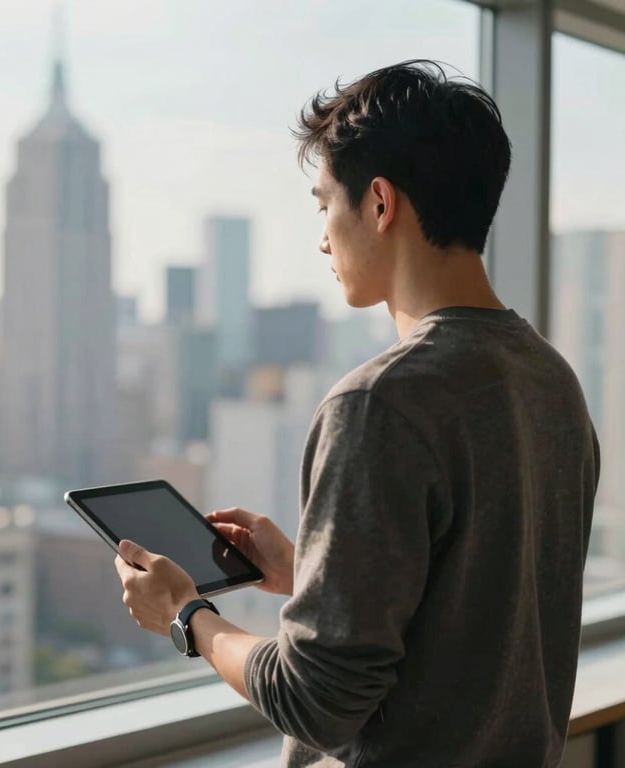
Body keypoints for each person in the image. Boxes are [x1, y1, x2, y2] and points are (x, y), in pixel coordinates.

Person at [114, 60, 599, 767]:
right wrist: (312, 572)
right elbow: (481, 609)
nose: (321, 238)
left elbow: (315, 699)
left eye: (323, 206)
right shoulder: (552, 380)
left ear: (378, 203)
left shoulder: (379, 403)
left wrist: (186, 615)